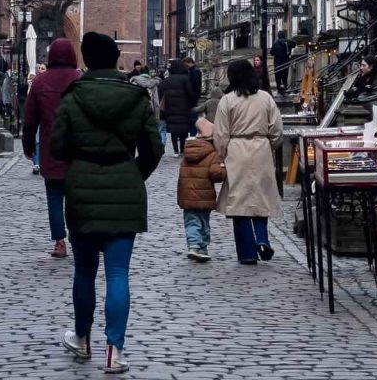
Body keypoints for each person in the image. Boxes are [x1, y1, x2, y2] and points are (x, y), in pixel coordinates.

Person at [51, 31, 163, 374]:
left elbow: (57, 147)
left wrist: (80, 164)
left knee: (85, 271)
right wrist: (132, 173)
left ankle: (82, 339)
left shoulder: (73, 98)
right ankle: (115, 349)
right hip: (124, 186)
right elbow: (153, 149)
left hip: (83, 190)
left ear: (86, 60)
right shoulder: (137, 98)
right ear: (117, 58)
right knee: (118, 273)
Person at [213, 57, 283, 265]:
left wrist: (222, 153)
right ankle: (262, 238)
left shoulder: (227, 100)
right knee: (261, 195)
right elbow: (277, 129)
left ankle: (247, 253)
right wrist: (270, 144)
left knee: (240, 201)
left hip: (237, 150)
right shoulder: (265, 98)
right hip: (260, 148)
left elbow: (220, 133)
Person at [22, 39, 81, 257]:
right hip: (77, 149)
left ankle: (60, 241)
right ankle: (78, 237)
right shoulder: (80, 79)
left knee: (54, 196)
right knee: (76, 197)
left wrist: (29, 147)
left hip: (51, 147)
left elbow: (29, 121)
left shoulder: (39, 82)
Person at [177, 117, 225, 261]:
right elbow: (216, 174)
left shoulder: (187, 152)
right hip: (205, 196)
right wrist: (223, 168)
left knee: (191, 221)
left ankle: (193, 245)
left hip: (187, 196)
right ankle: (201, 246)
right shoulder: (212, 154)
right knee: (203, 222)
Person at [159, 59, 195, 156]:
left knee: (173, 130)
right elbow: (190, 93)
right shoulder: (185, 79)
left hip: (170, 109)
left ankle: (175, 151)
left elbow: (160, 92)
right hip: (184, 108)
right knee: (184, 130)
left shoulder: (167, 80)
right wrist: (192, 104)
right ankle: (182, 149)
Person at [183, 56, 203, 136]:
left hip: (193, 98)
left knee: (193, 119)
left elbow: (195, 85)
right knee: (192, 119)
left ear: (189, 63)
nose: (185, 67)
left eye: (186, 65)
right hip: (193, 98)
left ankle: (193, 135)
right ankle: (193, 134)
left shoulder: (195, 71)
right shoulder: (193, 71)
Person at [271, 31, 292, 96]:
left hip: (277, 62)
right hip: (286, 62)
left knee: (278, 77)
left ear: (278, 36)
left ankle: (279, 89)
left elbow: (272, 52)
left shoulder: (275, 43)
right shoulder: (287, 43)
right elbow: (289, 52)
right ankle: (284, 88)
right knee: (285, 77)